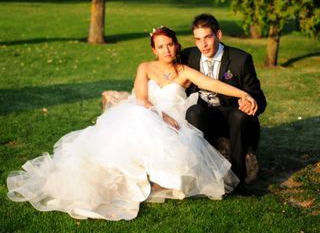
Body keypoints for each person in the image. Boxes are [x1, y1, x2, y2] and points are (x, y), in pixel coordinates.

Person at [7, 26, 257, 221]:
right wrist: (158, 114)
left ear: (176, 45)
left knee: (171, 138)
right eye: (161, 47)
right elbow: (142, 99)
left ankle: (153, 180)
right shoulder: (145, 67)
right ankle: (127, 175)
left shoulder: (184, 71)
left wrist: (243, 94)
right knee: (137, 120)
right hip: (148, 111)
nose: (167, 50)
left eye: (170, 44)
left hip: (174, 116)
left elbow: (212, 84)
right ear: (154, 50)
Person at [181, 14, 267, 194]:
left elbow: (260, 99)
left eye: (207, 37)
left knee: (239, 114)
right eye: (198, 39)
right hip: (205, 117)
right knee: (193, 112)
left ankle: (238, 178)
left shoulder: (240, 59)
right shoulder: (189, 56)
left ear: (218, 35)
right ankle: (205, 174)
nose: (203, 45)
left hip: (235, 122)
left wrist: (250, 103)